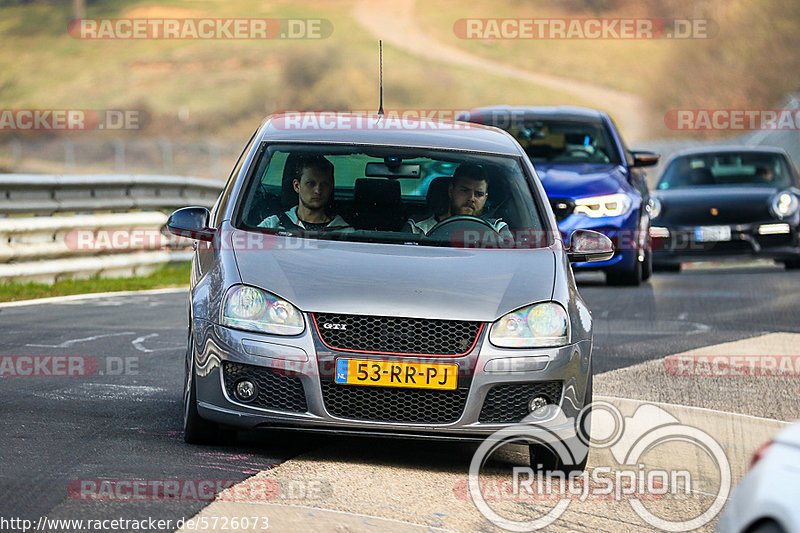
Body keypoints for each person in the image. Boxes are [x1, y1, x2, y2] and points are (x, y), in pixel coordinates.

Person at [406, 163, 513, 242]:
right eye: (465, 191)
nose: (471, 198)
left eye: (478, 194)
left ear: (485, 198)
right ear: (451, 191)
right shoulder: (417, 228)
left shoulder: (498, 229)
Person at [259, 155, 351, 230]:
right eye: (311, 183)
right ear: (297, 186)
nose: (318, 191)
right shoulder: (271, 225)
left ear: (331, 187)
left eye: (324, 184)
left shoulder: (345, 232)